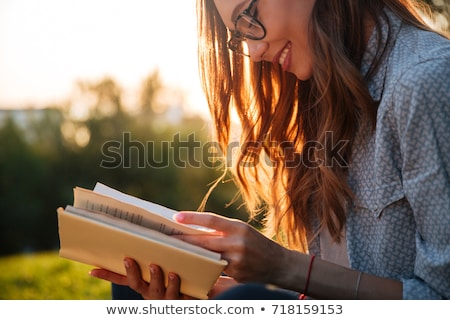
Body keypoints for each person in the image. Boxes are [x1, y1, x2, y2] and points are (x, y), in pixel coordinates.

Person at [90, 0, 450, 299]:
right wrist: (214, 293)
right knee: (140, 291)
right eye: (238, 36)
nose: (255, 51)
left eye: (250, 17)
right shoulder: (322, 98)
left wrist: (284, 268)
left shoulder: (424, 82)